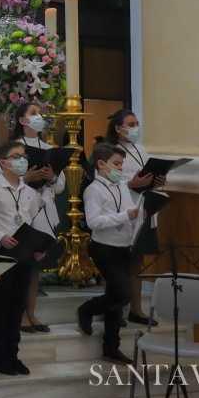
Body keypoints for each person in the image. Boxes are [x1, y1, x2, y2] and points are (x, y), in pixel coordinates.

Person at [0, 140, 44, 375]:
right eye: (16, 156)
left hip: (24, 253)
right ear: (3, 162)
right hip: (0, 251)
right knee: (1, 305)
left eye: (24, 156)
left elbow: (32, 222)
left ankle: (13, 355)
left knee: (17, 305)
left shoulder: (30, 193)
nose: (22, 160)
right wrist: (0, 236)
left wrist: (38, 245)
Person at [77, 143, 141, 364]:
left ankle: (111, 347)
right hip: (104, 248)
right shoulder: (93, 190)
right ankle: (88, 309)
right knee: (123, 294)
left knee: (117, 299)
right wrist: (126, 216)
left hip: (124, 246)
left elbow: (130, 211)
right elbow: (94, 222)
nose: (120, 169)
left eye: (121, 164)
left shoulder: (121, 186)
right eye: (116, 164)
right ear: (101, 164)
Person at [107, 108, 162, 324]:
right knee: (118, 263)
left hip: (143, 209)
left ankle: (136, 309)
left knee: (137, 261)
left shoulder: (141, 149)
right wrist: (130, 183)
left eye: (136, 124)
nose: (135, 128)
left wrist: (157, 180)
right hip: (122, 211)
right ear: (118, 128)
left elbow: (148, 175)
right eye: (131, 125)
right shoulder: (110, 151)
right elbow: (106, 180)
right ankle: (115, 310)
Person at [14, 105, 66, 332]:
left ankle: (31, 313)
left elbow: (60, 186)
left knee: (35, 267)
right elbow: (0, 179)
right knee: (21, 266)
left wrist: (52, 177)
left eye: (39, 113)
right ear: (21, 120)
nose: (38, 117)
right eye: (33, 113)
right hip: (21, 211)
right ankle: (19, 316)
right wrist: (25, 178)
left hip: (43, 210)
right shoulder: (14, 147)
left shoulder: (49, 149)